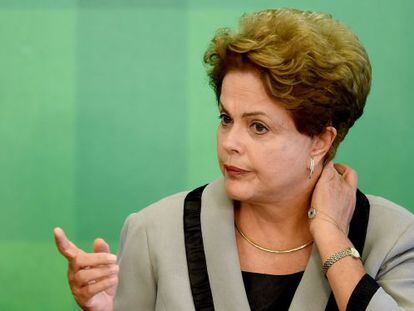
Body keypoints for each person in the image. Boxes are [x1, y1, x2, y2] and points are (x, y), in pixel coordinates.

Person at [54, 8, 414, 311]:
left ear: (321, 140)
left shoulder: (395, 238)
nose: (230, 143)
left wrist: (332, 238)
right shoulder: (154, 232)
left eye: (258, 127)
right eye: (226, 119)